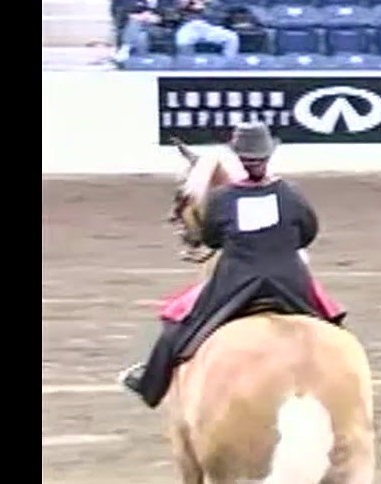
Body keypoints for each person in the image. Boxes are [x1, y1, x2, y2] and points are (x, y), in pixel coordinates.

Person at [118, 121, 328, 409]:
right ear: (268, 156)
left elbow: (212, 239)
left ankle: (149, 384)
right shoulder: (290, 194)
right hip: (289, 281)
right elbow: (308, 232)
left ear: (239, 158)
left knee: (177, 325)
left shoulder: (222, 198)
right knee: (333, 326)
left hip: (236, 283)